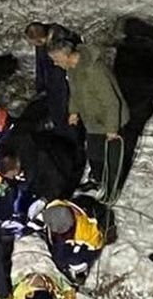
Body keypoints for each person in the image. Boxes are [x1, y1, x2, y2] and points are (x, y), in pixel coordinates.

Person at [48, 39, 130, 203]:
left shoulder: (94, 71)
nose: (55, 64)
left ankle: (110, 192)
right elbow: (75, 92)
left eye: (56, 60)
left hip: (109, 121)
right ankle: (97, 181)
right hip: (92, 120)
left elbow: (112, 102)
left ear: (67, 55)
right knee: (94, 155)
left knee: (111, 161)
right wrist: (74, 111)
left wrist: (112, 127)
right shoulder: (72, 69)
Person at [36, 196, 111, 288]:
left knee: (69, 259)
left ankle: (79, 270)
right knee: (61, 258)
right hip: (77, 209)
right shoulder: (56, 208)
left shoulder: (86, 233)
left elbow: (97, 246)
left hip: (85, 241)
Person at [24, 21, 81, 132]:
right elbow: (40, 65)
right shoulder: (44, 44)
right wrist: (40, 86)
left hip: (63, 87)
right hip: (52, 87)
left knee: (65, 117)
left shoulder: (60, 42)